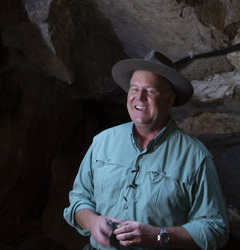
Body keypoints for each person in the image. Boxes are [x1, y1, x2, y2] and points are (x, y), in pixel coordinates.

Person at [63, 50, 229, 249]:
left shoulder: (195, 157)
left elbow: (215, 228)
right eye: (134, 89)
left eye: (150, 91)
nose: (139, 98)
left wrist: (159, 236)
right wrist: (92, 222)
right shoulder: (103, 142)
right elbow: (79, 199)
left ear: (169, 100)